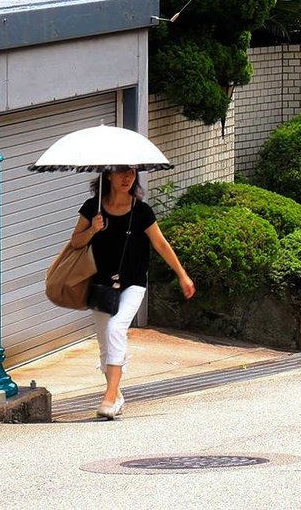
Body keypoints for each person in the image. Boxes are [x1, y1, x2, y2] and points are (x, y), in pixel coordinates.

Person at [61, 167, 196, 419]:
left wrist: (182, 274)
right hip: (100, 285)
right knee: (105, 342)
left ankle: (110, 396)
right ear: (108, 175)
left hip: (133, 284)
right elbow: (75, 242)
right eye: (121, 172)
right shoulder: (93, 207)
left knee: (115, 330)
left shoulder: (141, 210)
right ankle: (115, 392)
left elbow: (160, 243)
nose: (127, 178)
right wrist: (93, 229)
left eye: (131, 173)